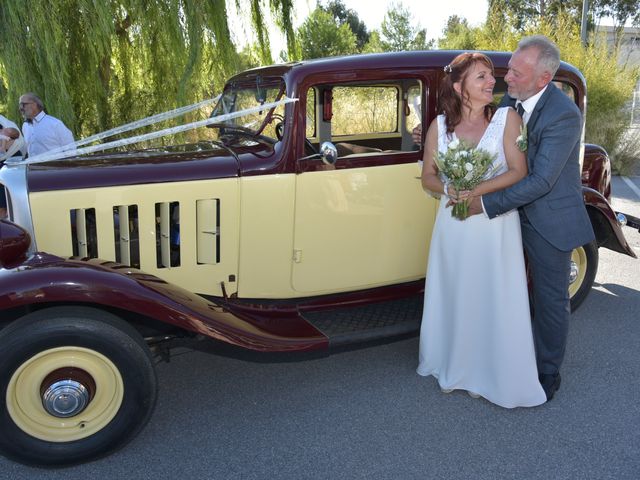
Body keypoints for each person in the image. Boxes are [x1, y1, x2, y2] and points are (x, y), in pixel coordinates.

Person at [467, 36, 595, 401]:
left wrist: (487, 204)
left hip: (549, 220)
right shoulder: (511, 99)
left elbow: (541, 180)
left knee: (550, 299)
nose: (507, 79)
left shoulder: (564, 114)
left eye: (517, 74)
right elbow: (488, 136)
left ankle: (547, 371)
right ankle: (505, 356)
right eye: (509, 70)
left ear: (543, 79)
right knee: (505, 288)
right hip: (510, 216)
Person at [416, 52, 547, 408]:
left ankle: (484, 371)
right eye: (481, 77)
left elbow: (518, 171)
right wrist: (448, 189)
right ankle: (453, 366)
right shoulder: (438, 126)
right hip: (453, 227)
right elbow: (428, 175)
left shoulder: (507, 119)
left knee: (488, 293)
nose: (493, 82)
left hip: (493, 225)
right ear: (459, 87)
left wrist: (474, 191)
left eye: (492, 76)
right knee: (456, 291)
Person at [19, 93, 75, 157]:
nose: (20, 108)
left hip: (55, 166)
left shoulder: (55, 124)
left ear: (34, 105)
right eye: (20, 105)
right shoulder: (25, 126)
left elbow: (71, 151)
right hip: (33, 166)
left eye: (23, 105)